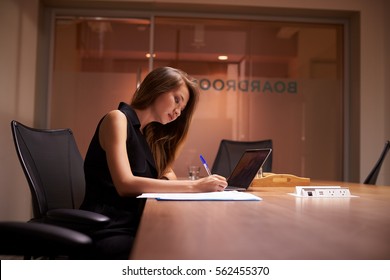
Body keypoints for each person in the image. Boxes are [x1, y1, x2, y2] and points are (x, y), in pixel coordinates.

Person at [80, 66, 227, 259]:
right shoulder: (117, 119)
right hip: (109, 226)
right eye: (177, 100)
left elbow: (169, 174)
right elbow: (125, 184)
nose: (177, 113)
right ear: (158, 87)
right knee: (179, 249)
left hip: (134, 222)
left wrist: (171, 180)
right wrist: (195, 185)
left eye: (181, 110)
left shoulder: (146, 136)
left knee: (191, 241)